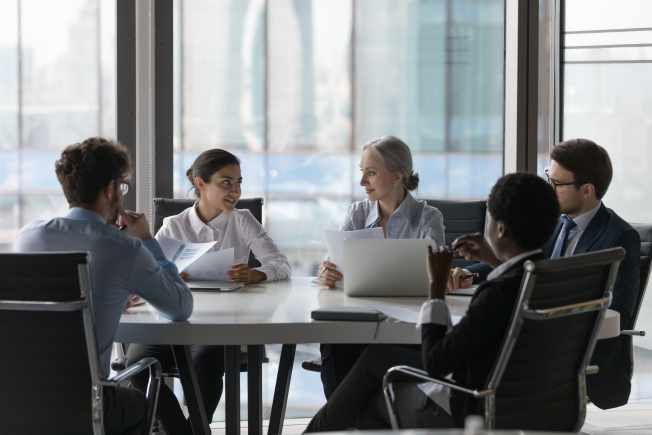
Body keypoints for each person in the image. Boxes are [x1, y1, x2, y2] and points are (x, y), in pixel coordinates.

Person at [304, 172, 560, 432]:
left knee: (360, 400)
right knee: (375, 358)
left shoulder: (494, 294)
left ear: (501, 228)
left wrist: (436, 287)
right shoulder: (551, 280)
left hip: (467, 405)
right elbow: (516, 285)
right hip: (534, 404)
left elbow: (437, 362)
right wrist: (495, 261)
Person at [13, 137, 193, 435]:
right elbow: (180, 307)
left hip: (16, 402)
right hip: (86, 406)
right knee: (140, 400)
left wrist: (107, 297)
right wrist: (148, 241)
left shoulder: (28, 238)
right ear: (110, 188)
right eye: (122, 186)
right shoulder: (123, 248)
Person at [449, 138, 640, 409]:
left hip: (574, 352)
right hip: (526, 339)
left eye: (557, 184)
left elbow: (618, 309)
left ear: (587, 190)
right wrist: (470, 275)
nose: (548, 189)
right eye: (548, 178)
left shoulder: (619, 236)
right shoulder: (549, 220)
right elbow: (509, 259)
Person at [126, 148, 291, 435]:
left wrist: (255, 274)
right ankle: (186, 432)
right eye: (226, 182)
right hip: (172, 320)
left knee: (207, 363)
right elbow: (146, 275)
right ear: (201, 183)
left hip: (219, 323)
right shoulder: (173, 226)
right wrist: (168, 273)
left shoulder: (242, 220)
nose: (235, 191)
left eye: (239, 183)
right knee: (138, 366)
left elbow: (281, 264)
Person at [316, 135, 445, 399]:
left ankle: (346, 419)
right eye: (362, 172)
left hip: (407, 323)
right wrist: (325, 272)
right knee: (333, 338)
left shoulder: (428, 218)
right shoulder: (356, 214)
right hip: (360, 315)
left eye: (371, 173)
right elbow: (337, 266)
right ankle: (345, 423)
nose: (362, 181)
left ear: (397, 176)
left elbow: (434, 277)